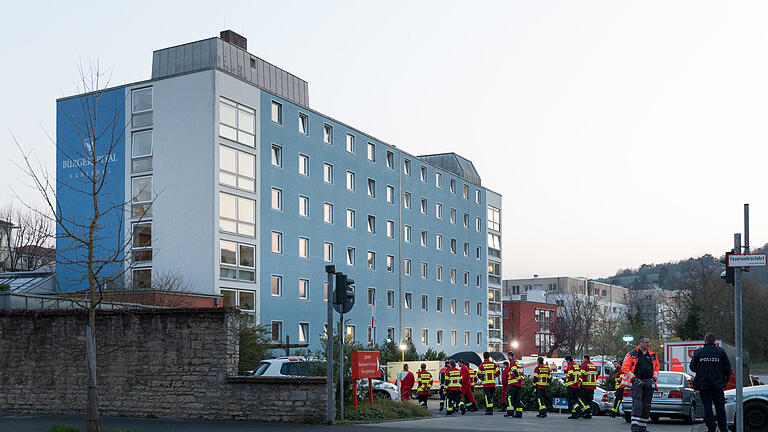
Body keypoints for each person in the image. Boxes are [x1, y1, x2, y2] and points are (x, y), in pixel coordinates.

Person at [690, 332, 732, 432]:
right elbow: (728, 369)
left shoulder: (699, 352)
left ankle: (711, 428)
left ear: (705, 341)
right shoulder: (721, 352)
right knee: (720, 408)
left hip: (704, 385)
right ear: (714, 341)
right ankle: (723, 428)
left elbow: (692, 367)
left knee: (707, 408)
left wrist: (701, 369)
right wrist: (724, 381)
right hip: (717, 385)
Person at [621, 336, 660, 432]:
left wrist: (653, 379)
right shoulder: (632, 354)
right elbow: (625, 368)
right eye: (646, 342)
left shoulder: (652, 355)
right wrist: (634, 379)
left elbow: (656, 368)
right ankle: (635, 426)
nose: (648, 344)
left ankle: (642, 426)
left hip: (648, 381)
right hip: (637, 381)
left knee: (647, 405)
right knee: (638, 403)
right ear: (640, 343)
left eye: (648, 342)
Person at [578, 355, 598, 419]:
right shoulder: (594, 366)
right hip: (592, 387)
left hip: (585, 386)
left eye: (582, 358)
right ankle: (588, 413)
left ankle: (588, 411)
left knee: (580, 398)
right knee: (589, 400)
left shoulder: (584, 365)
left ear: (585, 359)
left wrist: (579, 383)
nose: (582, 360)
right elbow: (596, 376)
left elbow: (581, 375)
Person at [505, 352, 524, 418]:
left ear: (510, 356)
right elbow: (521, 373)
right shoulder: (517, 362)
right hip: (518, 384)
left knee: (508, 397)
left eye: (508, 356)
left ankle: (510, 412)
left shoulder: (512, 362)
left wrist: (519, 380)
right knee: (517, 399)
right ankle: (519, 414)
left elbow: (515, 372)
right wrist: (521, 381)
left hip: (514, 383)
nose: (508, 357)